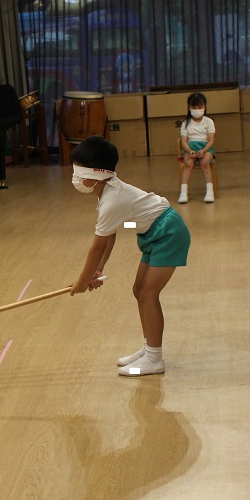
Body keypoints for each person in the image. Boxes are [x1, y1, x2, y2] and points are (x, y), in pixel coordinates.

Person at [68, 136, 191, 377]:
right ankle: (149, 349)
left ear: (97, 174)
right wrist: (98, 269)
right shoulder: (106, 192)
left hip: (169, 233)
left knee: (149, 293)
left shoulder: (111, 200)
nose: (75, 177)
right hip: (152, 231)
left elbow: (96, 247)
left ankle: (154, 359)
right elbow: (110, 234)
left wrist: (82, 281)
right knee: (139, 290)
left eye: (78, 172)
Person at [178, 92, 216, 204]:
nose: (197, 110)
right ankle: (183, 193)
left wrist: (204, 150)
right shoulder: (185, 123)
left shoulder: (209, 121)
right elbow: (184, 141)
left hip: (206, 148)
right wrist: (189, 150)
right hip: (190, 149)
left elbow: (211, 140)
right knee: (188, 164)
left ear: (205, 107)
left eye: (200, 107)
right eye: (194, 107)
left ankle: (210, 192)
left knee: (205, 163)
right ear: (189, 107)